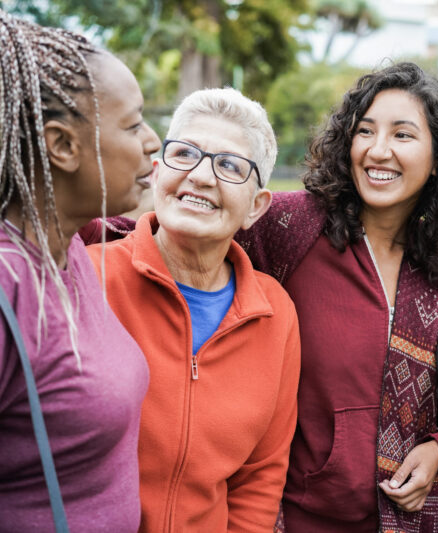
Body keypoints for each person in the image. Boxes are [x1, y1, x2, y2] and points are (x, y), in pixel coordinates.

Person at [233, 62, 438, 532]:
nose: (378, 150)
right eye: (365, 131)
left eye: (403, 135)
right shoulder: (289, 227)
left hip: (413, 522)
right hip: (296, 517)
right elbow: (192, 240)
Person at [80, 88, 301, 531]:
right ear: (157, 172)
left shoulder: (275, 313)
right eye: (184, 154)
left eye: (229, 165)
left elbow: (260, 476)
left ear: (256, 207)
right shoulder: (87, 279)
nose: (200, 176)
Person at [0, 10, 160, 532]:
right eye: (134, 123)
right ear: (62, 145)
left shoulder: (66, 244)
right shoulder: (8, 284)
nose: (152, 141)